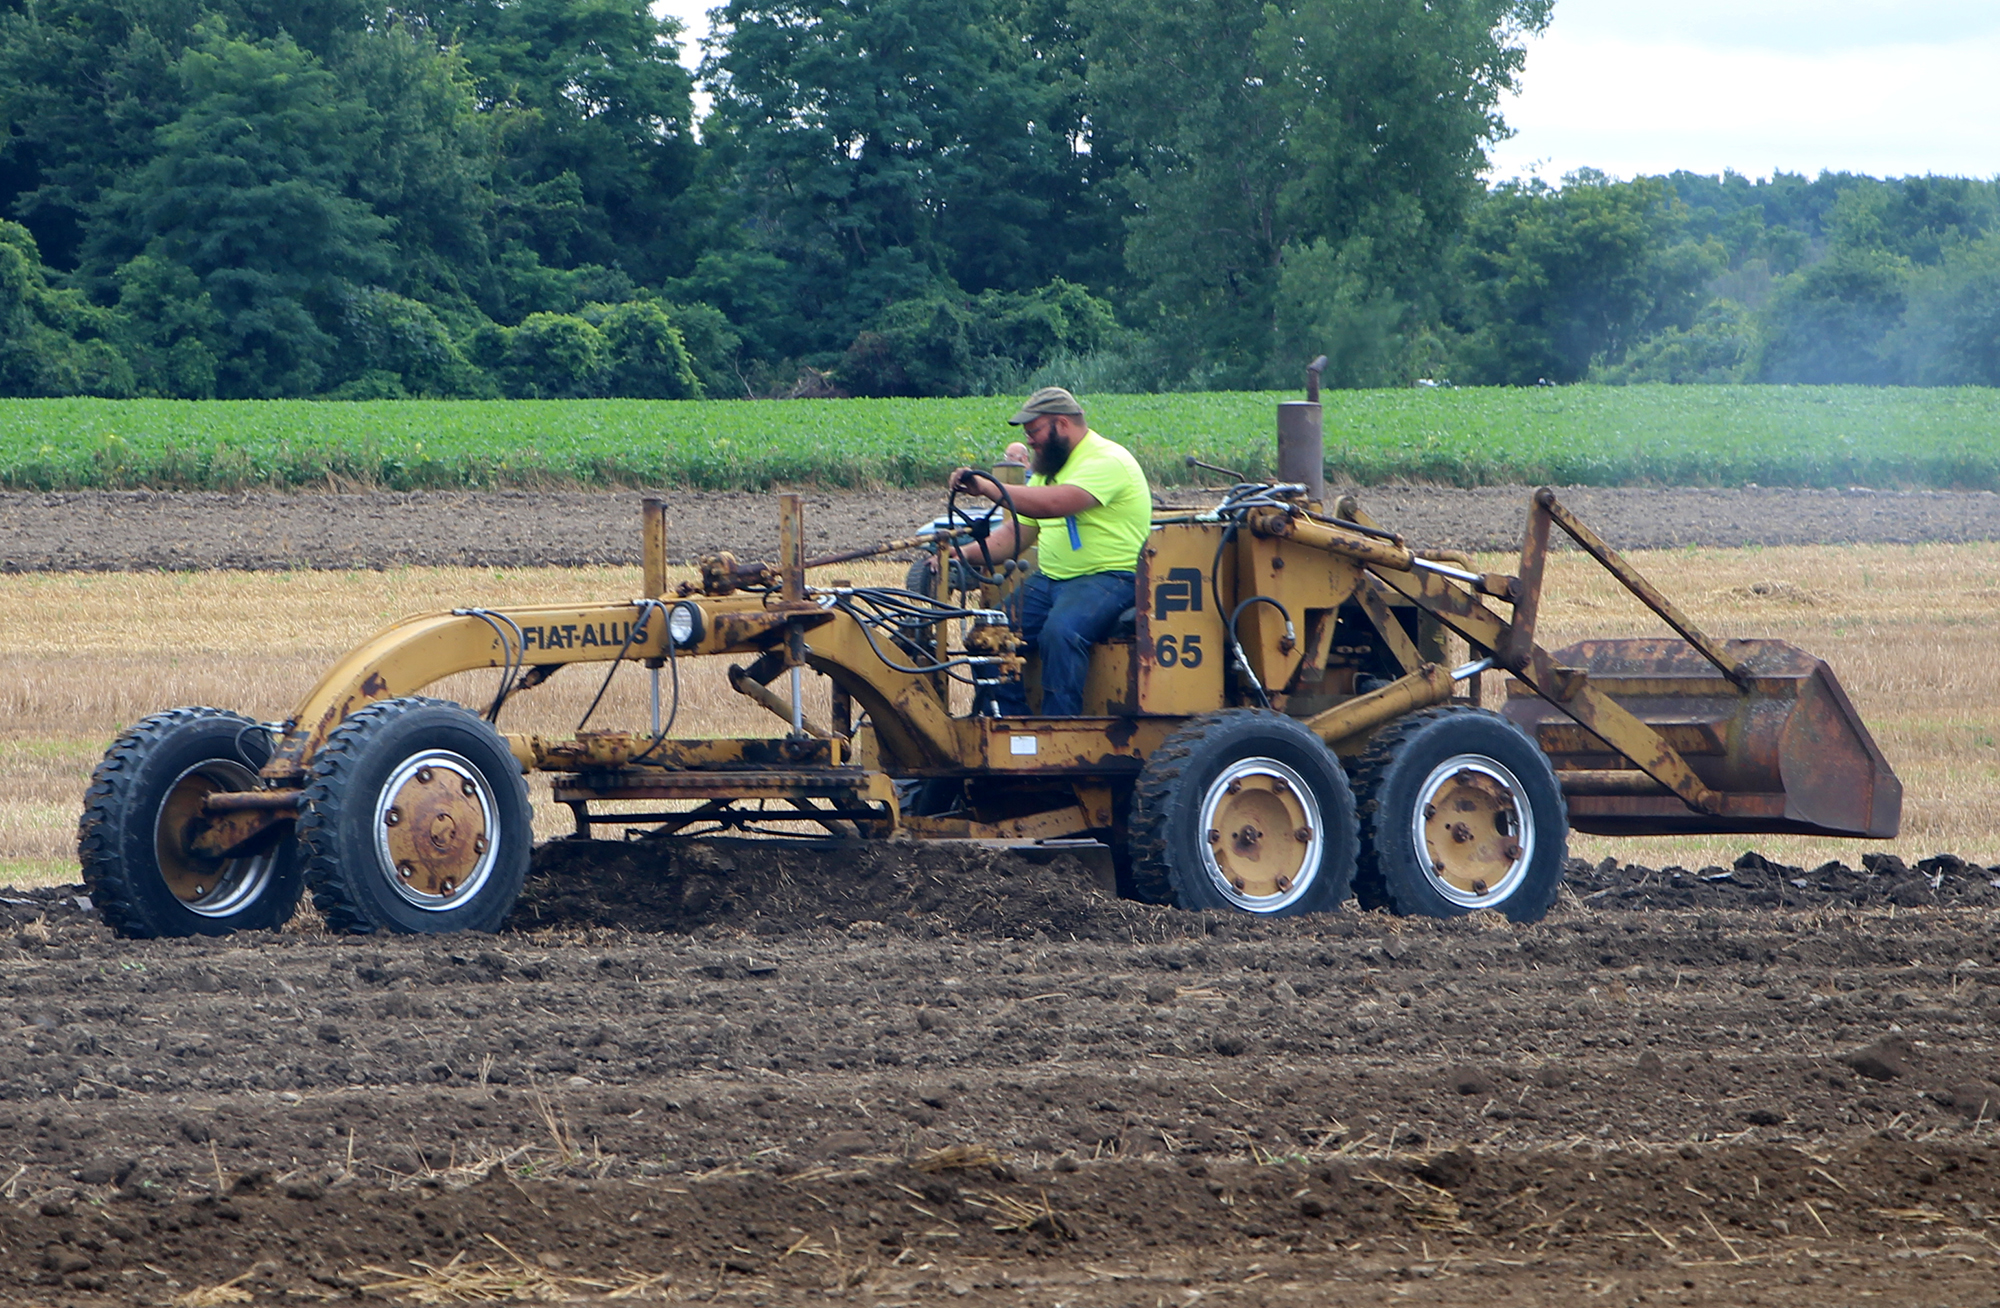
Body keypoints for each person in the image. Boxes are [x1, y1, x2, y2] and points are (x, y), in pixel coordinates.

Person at [949, 386, 1151, 715]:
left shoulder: (1107, 460)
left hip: (1114, 577)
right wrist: (961, 556)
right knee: (988, 636)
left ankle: (1059, 732)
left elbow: (1057, 503)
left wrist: (990, 487)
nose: (1030, 441)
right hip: (1053, 580)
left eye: (1034, 431)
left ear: (1061, 424)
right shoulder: (1048, 472)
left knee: (1061, 633)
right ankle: (1014, 728)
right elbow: (1017, 533)